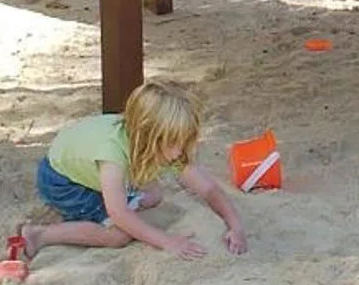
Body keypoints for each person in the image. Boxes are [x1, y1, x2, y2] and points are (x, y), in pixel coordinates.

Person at [13, 80, 248, 265]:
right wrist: (167, 242)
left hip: (90, 164)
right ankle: (39, 235)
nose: (179, 151)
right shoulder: (112, 155)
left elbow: (208, 189)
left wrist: (235, 225)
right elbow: (119, 215)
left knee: (155, 194)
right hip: (63, 180)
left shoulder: (161, 144)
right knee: (119, 236)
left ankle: (125, 197)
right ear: (147, 136)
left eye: (184, 142)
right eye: (173, 143)